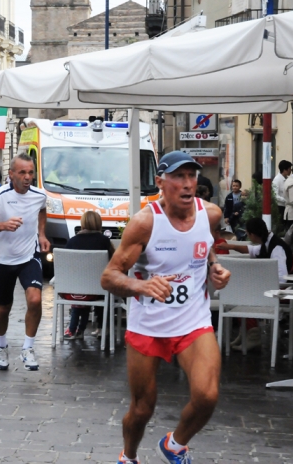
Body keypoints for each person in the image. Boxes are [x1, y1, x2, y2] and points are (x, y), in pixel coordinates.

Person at [99, 151, 231, 464]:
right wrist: (140, 285)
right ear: (161, 182)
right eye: (179, 177)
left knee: (207, 396)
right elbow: (109, 277)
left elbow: (207, 242)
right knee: (142, 408)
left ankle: (174, 445)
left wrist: (215, 266)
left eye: (192, 176)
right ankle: (129, 456)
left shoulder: (210, 213)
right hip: (149, 326)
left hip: (193, 321)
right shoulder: (145, 223)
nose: (188, 184)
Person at [0, 153, 50, 371]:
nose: (27, 177)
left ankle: (28, 348)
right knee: (3, 308)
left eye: (31, 172)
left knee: (35, 300)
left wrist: (42, 234)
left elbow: (42, 211)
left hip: (29, 256)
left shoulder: (39, 195)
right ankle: (1, 345)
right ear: (11, 174)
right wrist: (3, 225)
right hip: (4, 259)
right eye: (22, 172)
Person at [217, 217, 293, 352]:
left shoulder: (276, 248)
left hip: (285, 292)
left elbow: (282, 279)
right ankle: (247, 332)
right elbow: (251, 250)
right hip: (274, 290)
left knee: (244, 294)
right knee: (243, 292)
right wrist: (231, 246)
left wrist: (261, 285)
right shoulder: (267, 243)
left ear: (252, 234)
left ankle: (253, 334)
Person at [62, 210, 115, 340]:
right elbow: (113, 262)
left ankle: (75, 329)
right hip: (98, 290)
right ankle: (102, 327)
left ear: (83, 223)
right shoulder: (104, 241)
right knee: (105, 287)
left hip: (75, 291)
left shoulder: (72, 241)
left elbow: (66, 266)